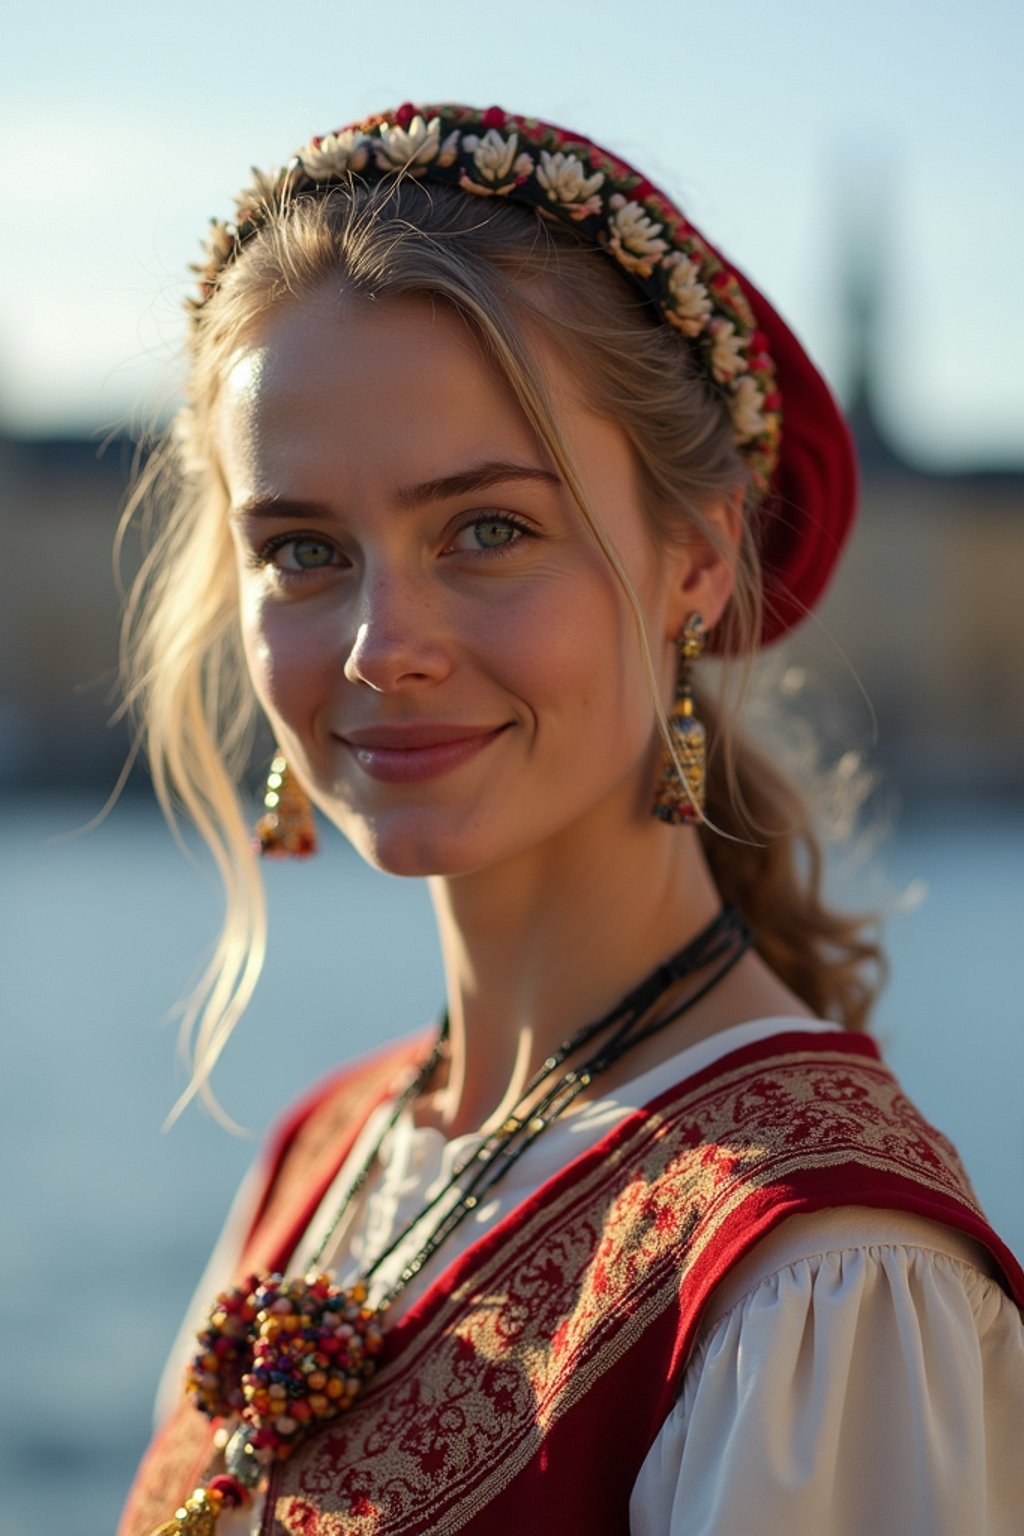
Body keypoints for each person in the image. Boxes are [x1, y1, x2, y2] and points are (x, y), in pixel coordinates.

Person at [117, 103, 1024, 1536]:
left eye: (488, 529)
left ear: (697, 563)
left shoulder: (817, 1276)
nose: (376, 645)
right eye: (303, 548)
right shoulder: (326, 1150)